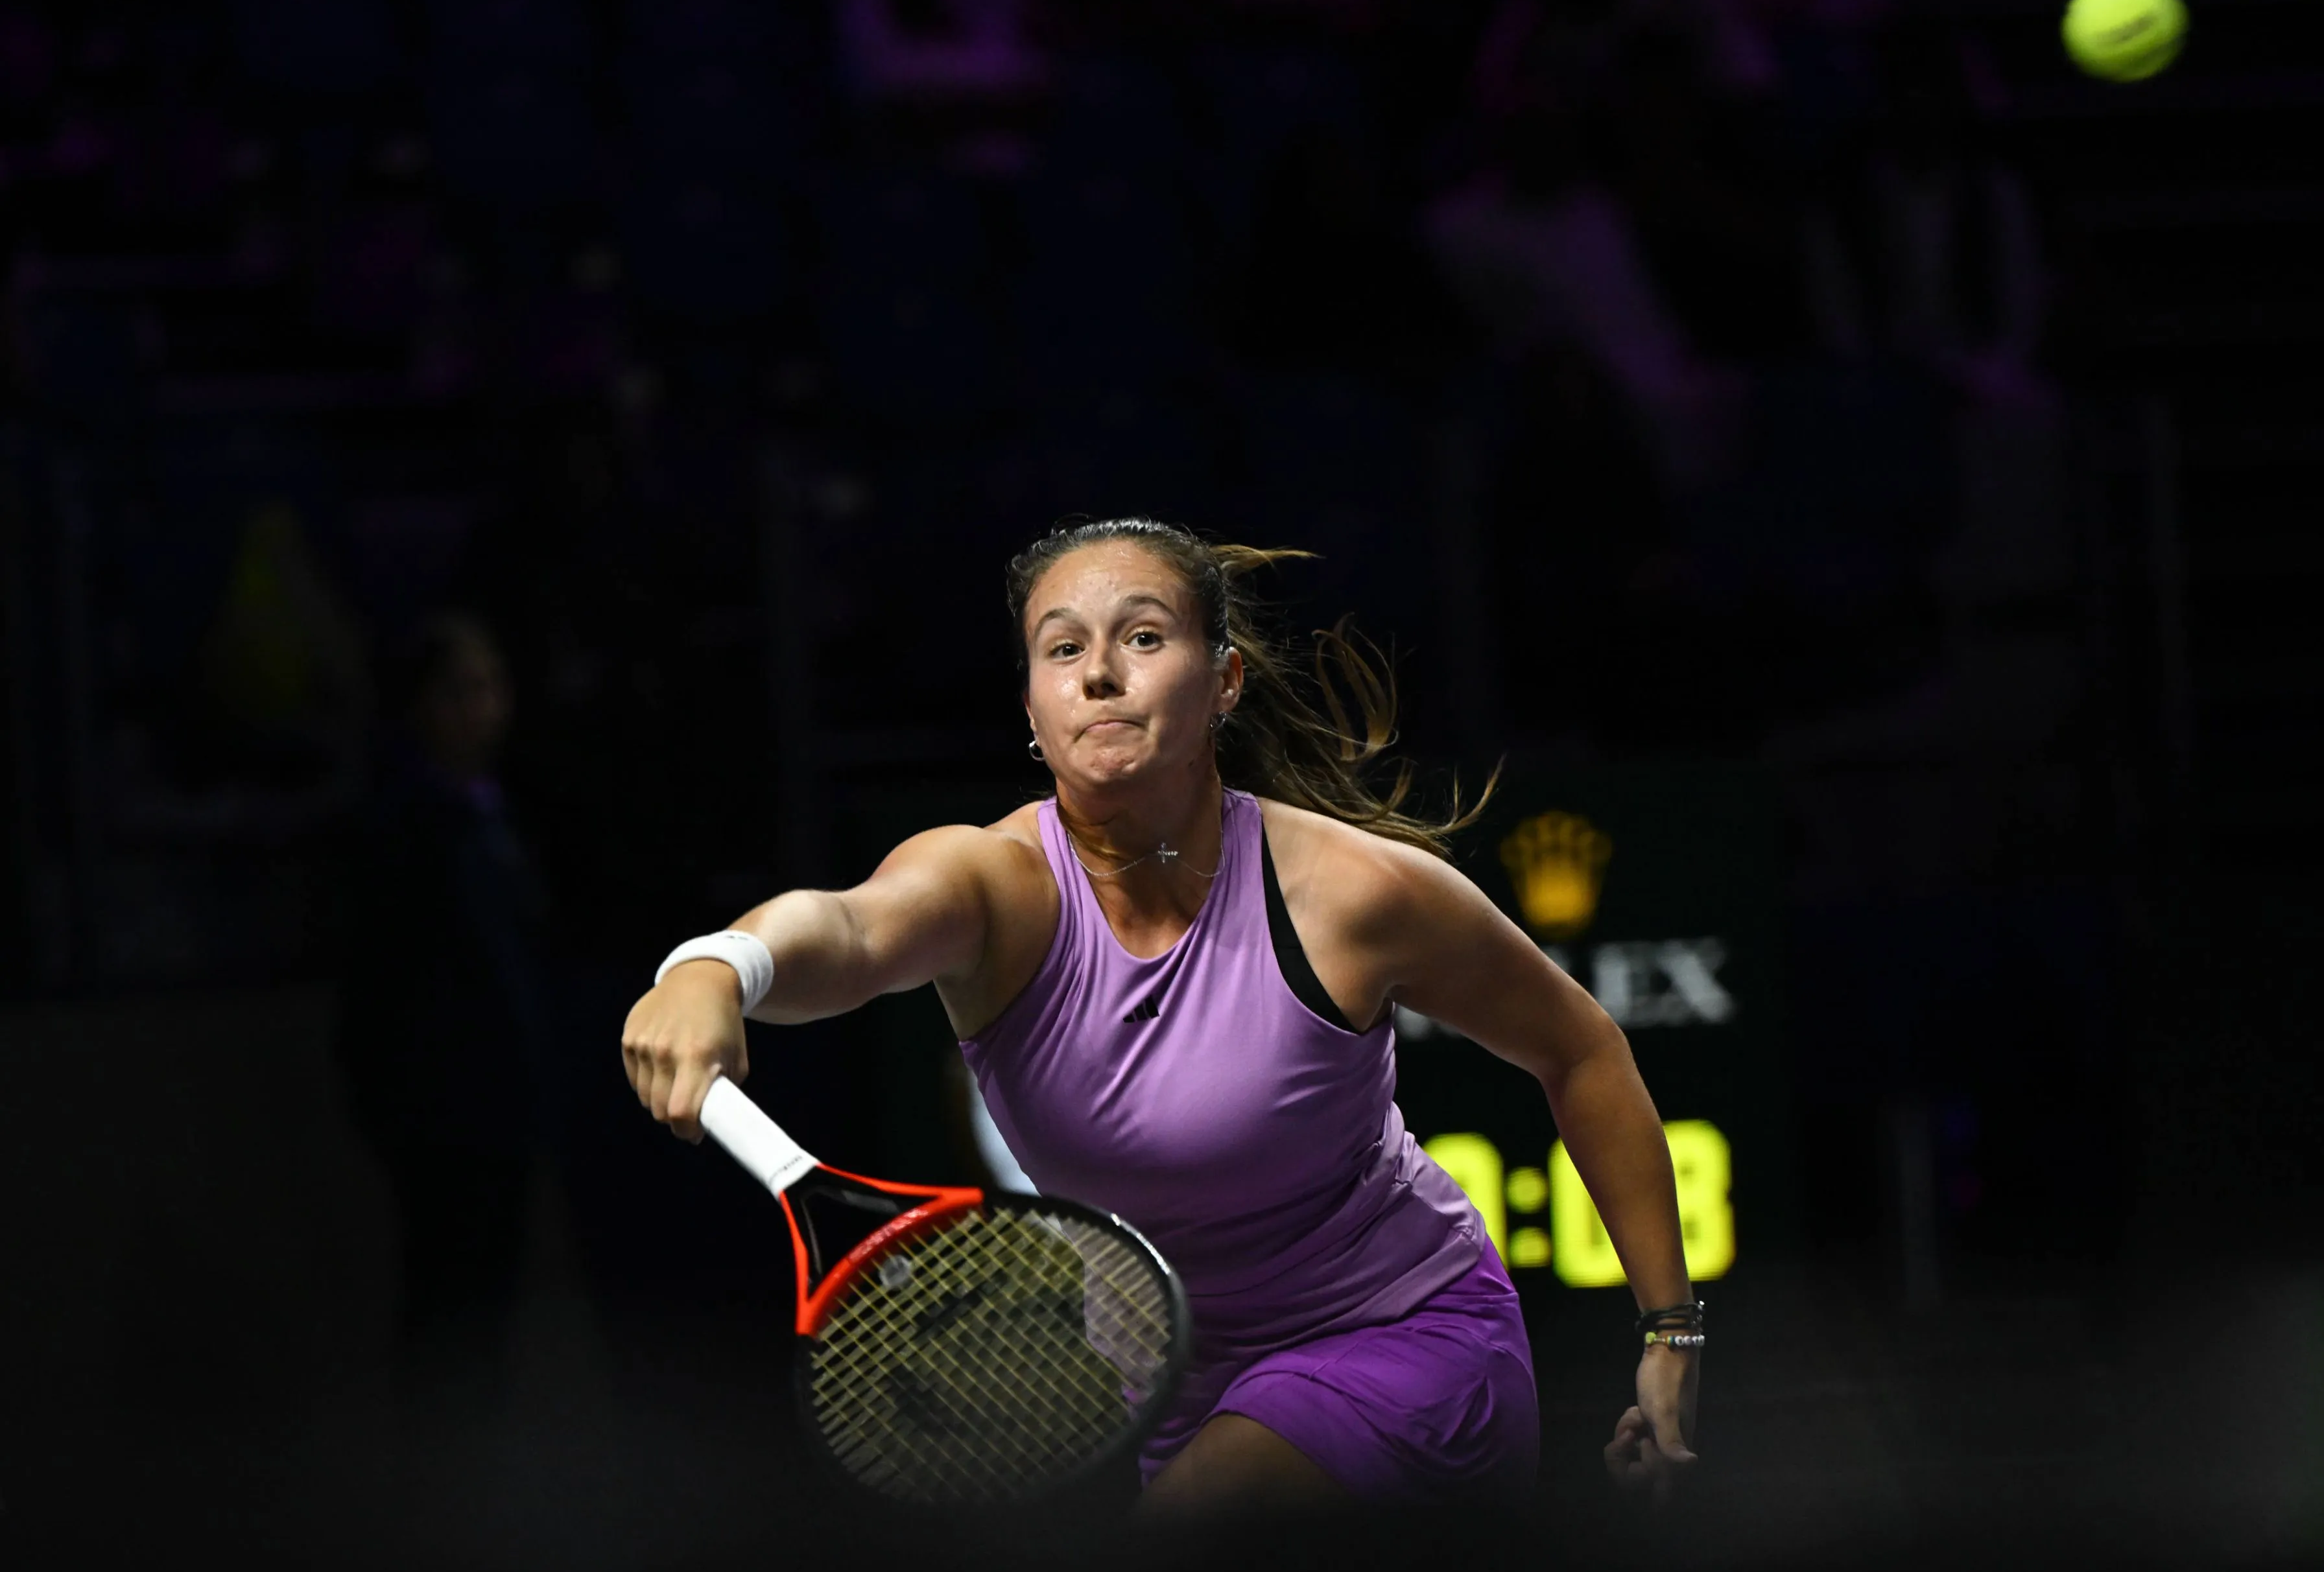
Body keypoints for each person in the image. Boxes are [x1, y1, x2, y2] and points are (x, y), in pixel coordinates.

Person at [619, 518, 1700, 1508]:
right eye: (1062, 649)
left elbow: (1580, 1049)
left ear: (1223, 681)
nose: (1098, 672)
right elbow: (848, 930)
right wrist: (718, 968)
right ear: (1031, 709)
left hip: (1409, 1342)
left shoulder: (1351, 894)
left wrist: (1671, 1335)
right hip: (1179, 1389)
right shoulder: (991, 886)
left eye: (1141, 637)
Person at [334, 611, 556, 1435]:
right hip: (437, 1110)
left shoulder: (496, 814)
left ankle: (475, 1475)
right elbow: (380, 987)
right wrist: (393, 1105)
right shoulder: (400, 828)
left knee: (491, 1304)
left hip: (504, 1101)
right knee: (445, 1308)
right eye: (461, 690)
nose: (485, 707)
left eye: (493, 686)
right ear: (418, 705)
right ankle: (436, 1480)